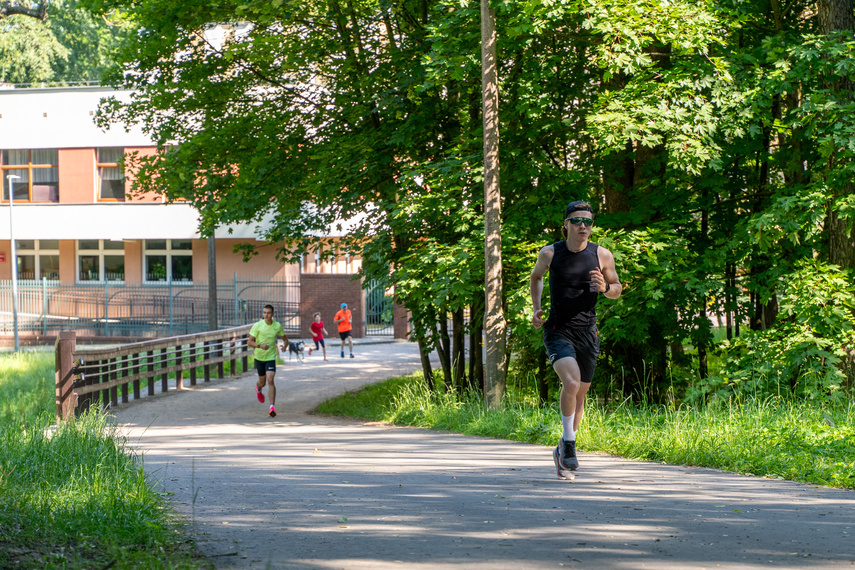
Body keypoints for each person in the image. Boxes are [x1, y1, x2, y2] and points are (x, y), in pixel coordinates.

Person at [530, 200, 622, 479]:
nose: (583, 225)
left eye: (588, 221)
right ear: (566, 225)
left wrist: (605, 288)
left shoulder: (602, 255)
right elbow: (536, 278)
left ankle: (562, 450)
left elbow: (617, 288)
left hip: (587, 332)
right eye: (577, 221)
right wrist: (536, 307)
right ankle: (569, 445)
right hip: (558, 329)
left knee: (580, 394)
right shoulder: (550, 253)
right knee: (570, 382)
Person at [249, 304, 289, 417]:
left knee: (270, 380)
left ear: (272, 314)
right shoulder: (257, 326)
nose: (266, 315)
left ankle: (272, 407)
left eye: (268, 313)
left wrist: (285, 346)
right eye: (264, 313)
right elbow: (249, 342)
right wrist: (260, 346)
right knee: (262, 382)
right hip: (259, 357)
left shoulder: (277, 326)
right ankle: (258, 388)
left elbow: (285, 339)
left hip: (271, 357)